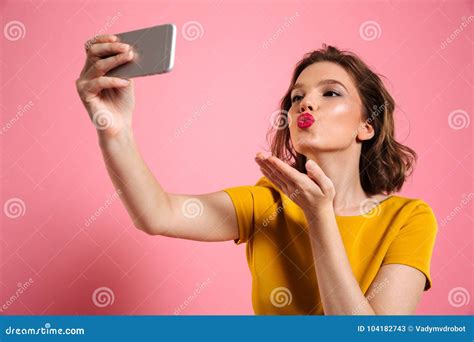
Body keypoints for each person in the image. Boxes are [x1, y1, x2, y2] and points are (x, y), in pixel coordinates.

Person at [76, 35, 438, 315]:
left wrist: (319, 216)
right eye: (297, 98)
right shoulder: (268, 203)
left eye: (330, 93)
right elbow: (156, 213)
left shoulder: (409, 219)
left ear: (367, 125)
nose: (306, 104)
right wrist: (114, 128)